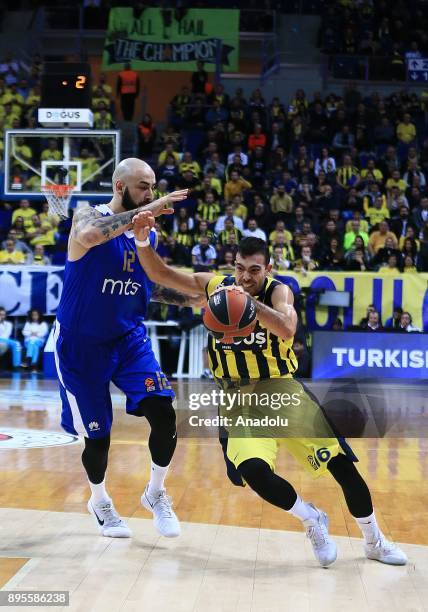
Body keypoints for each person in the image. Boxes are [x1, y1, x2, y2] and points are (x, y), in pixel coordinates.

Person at [132, 230, 407, 568]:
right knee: (254, 472)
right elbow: (162, 275)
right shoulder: (216, 287)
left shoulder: (279, 292)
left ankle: (374, 541)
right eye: (240, 268)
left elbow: (288, 328)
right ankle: (310, 519)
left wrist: (248, 304)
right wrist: (143, 242)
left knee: (340, 466)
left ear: (268, 268)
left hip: (280, 389)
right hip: (237, 398)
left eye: (254, 270)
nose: (245, 277)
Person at [54, 157, 202, 540]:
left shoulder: (147, 235)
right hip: (80, 346)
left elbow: (150, 286)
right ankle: (99, 500)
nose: (151, 195)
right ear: (121, 187)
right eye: (144, 187)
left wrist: (196, 301)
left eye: (153, 187)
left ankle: (155, 493)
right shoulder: (87, 217)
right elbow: (90, 237)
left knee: (164, 414)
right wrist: (148, 211)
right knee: (98, 438)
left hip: (129, 341)